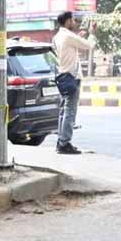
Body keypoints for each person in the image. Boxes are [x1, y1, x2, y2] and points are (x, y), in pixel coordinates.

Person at [52, 11, 95, 154]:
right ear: (68, 21)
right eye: (73, 20)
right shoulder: (68, 36)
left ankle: (61, 141)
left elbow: (72, 46)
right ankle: (64, 143)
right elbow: (89, 45)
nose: (75, 22)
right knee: (70, 111)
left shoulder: (57, 36)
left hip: (62, 76)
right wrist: (92, 33)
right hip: (71, 78)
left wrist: (78, 38)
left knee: (63, 110)